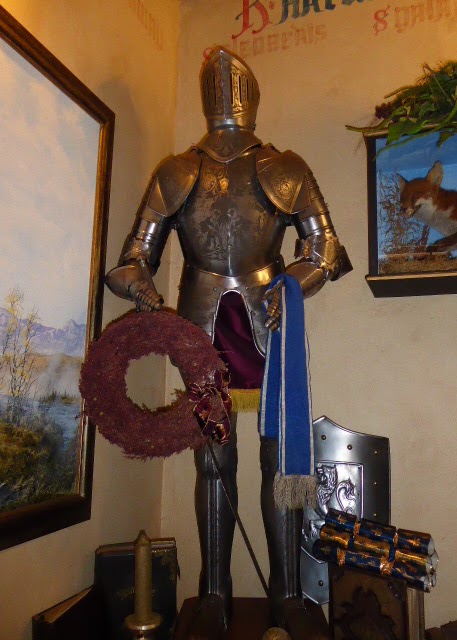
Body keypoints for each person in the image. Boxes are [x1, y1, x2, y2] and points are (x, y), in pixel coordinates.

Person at [106, 46, 351, 640]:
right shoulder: (177, 171)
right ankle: (214, 593)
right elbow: (132, 259)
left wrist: (293, 284)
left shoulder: (282, 167)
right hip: (202, 324)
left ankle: (287, 594)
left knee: (277, 457)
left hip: (270, 319)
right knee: (212, 458)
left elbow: (325, 249)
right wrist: (144, 293)